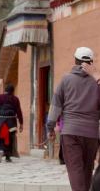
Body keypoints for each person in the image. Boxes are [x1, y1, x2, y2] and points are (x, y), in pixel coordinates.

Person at [47, 47, 100, 191]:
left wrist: (50, 127)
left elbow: (56, 106)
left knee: (75, 169)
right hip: (91, 133)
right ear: (91, 62)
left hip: (70, 132)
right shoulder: (96, 82)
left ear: (75, 60)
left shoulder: (65, 80)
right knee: (87, 169)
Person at [0, 84, 23, 163]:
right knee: (10, 139)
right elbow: (19, 112)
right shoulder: (15, 99)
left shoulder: (0, 97)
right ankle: (8, 157)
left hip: (1, 121)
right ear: (13, 91)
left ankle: (1, 150)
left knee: (1, 137)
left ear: (5, 90)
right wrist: (21, 123)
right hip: (12, 122)